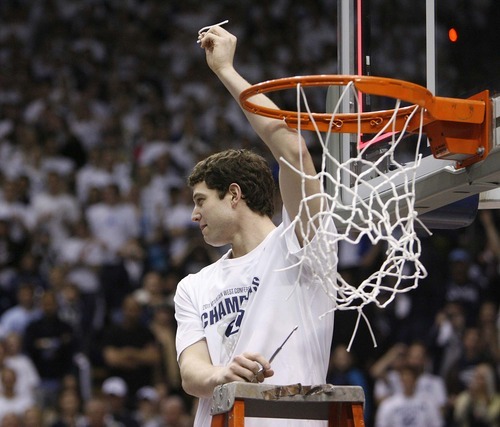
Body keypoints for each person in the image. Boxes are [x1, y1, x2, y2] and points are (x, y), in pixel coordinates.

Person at [174, 26, 335, 426]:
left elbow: (294, 149)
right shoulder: (193, 285)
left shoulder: (300, 243)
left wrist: (225, 70)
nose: (194, 216)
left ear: (234, 194)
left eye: (200, 201)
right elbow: (192, 373)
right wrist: (221, 375)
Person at [374, 364, 443, 427]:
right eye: (405, 378)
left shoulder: (428, 403)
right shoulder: (388, 404)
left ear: (416, 380)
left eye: (410, 378)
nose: (407, 381)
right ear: (401, 380)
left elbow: (436, 424)